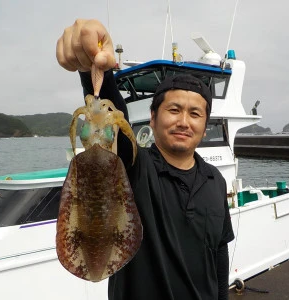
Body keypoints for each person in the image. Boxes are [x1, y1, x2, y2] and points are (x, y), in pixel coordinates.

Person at [56, 19, 234, 300]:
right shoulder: (135, 167)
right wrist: (89, 62)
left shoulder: (215, 179)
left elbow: (220, 252)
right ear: (153, 118)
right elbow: (111, 117)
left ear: (205, 123)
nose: (184, 121)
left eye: (195, 114)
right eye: (173, 109)